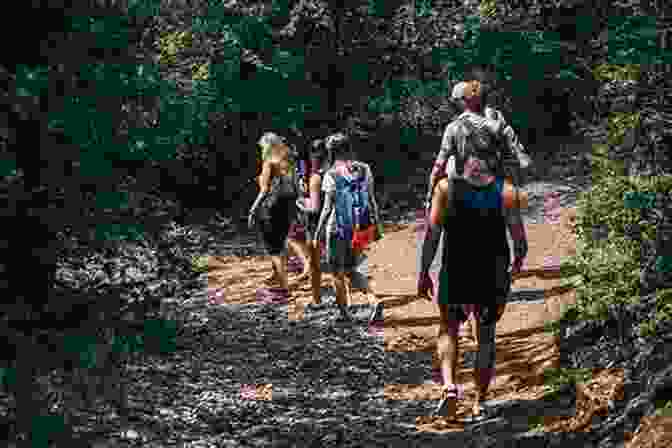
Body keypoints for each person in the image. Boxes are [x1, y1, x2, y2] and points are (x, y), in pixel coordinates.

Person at [417, 68, 530, 421]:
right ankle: (481, 401)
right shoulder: (506, 192)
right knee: (486, 335)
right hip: (493, 264)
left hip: (457, 263)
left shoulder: (447, 189)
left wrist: (423, 271)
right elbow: (520, 242)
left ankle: (450, 386)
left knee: (449, 326)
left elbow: (433, 234)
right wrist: (518, 263)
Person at [312, 132, 381, 322]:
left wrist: (317, 234)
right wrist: (377, 225)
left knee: (337, 271)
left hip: (337, 229)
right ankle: (373, 300)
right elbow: (372, 200)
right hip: (360, 228)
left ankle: (344, 313)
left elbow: (326, 209)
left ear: (330, 152)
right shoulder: (365, 169)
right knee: (352, 269)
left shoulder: (330, 175)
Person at [248, 132, 299, 299]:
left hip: (271, 206)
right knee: (280, 244)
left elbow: (264, 191)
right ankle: (279, 278)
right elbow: (295, 187)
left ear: (267, 147)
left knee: (273, 250)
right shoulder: (288, 162)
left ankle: (285, 288)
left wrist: (253, 210)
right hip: (288, 205)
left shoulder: (269, 162)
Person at [296, 138, 330, 305]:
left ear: (313, 157)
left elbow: (314, 207)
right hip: (336, 223)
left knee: (315, 266)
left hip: (316, 225)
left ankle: (316, 301)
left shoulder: (316, 178)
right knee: (341, 268)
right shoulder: (336, 172)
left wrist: (301, 202)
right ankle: (345, 302)